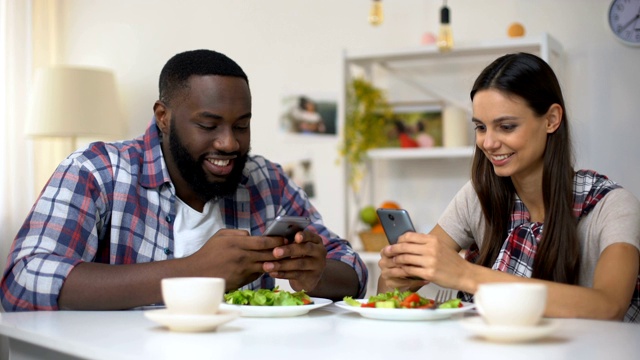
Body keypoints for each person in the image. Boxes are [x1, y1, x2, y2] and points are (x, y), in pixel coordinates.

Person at [1, 49, 367, 311]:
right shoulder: (98, 171)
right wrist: (193, 271)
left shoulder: (265, 180)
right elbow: (23, 280)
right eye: (208, 126)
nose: (230, 142)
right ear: (163, 116)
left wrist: (315, 273)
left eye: (242, 125)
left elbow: (351, 268)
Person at [378, 52, 640, 322]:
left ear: (551, 119)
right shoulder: (477, 196)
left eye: (506, 126)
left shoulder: (612, 205)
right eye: (481, 127)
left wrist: (465, 274)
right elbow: (386, 296)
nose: (488, 143)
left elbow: (609, 306)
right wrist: (397, 278)